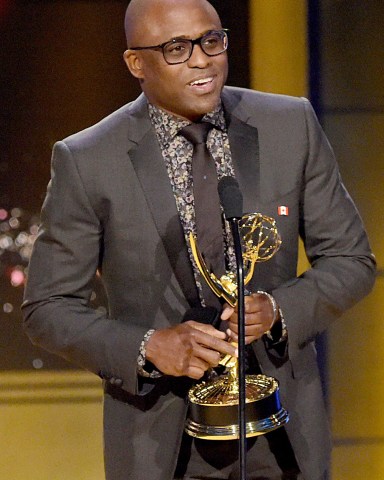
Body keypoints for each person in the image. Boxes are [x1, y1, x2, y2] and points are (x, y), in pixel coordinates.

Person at [22, 0, 376, 479]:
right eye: (176, 48)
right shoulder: (89, 159)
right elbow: (48, 308)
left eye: (211, 40)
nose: (201, 59)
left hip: (284, 429)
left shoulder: (289, 125)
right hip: (158, 440)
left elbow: (351, 260)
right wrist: (150, 347)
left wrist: (277, 310)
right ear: (136, 63)